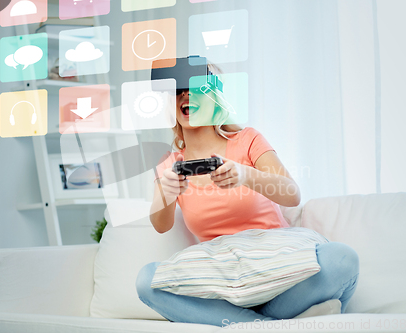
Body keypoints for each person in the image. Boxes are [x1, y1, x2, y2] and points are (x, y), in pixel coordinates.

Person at [136, 65, 359, 327]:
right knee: (146, 281)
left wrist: (245, 176)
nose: (186, 96)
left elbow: (291, 194)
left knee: (343, 259)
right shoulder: (169, 163)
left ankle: (246, 325)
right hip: (221, 279)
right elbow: (161, 225)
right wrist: (167, 192)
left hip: (277, 269)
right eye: (177, 91)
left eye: (196, 89)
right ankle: (265, 325)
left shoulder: (247, 140)